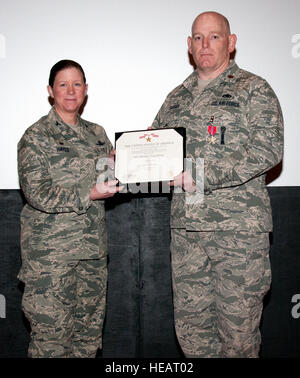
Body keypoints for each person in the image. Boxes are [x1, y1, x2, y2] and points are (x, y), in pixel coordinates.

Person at [151, 11, 284, 357]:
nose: (205, 44)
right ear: (189, 45)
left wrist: (202, 174)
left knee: (238, 337)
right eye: (198, 37)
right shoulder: (176, 97)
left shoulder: (254, 88)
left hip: (237, 233)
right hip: (187, 233)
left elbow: (268, 148)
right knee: (193, 335)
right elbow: (155, 145)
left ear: (231, 42)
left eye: (214, 36)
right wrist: (128, 159)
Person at [18, 59, 121, 358]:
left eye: (77, 84)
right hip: (51, 259)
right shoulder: (36, 137)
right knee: (51, 341)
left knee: (87, 340)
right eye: (63, 84)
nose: (71, 91)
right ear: (51, 91)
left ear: (86, 90)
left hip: (91, 254)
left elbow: (109, 182)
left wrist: (129, 159)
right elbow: (37, 193)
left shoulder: (98, 134)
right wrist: (88, 193)